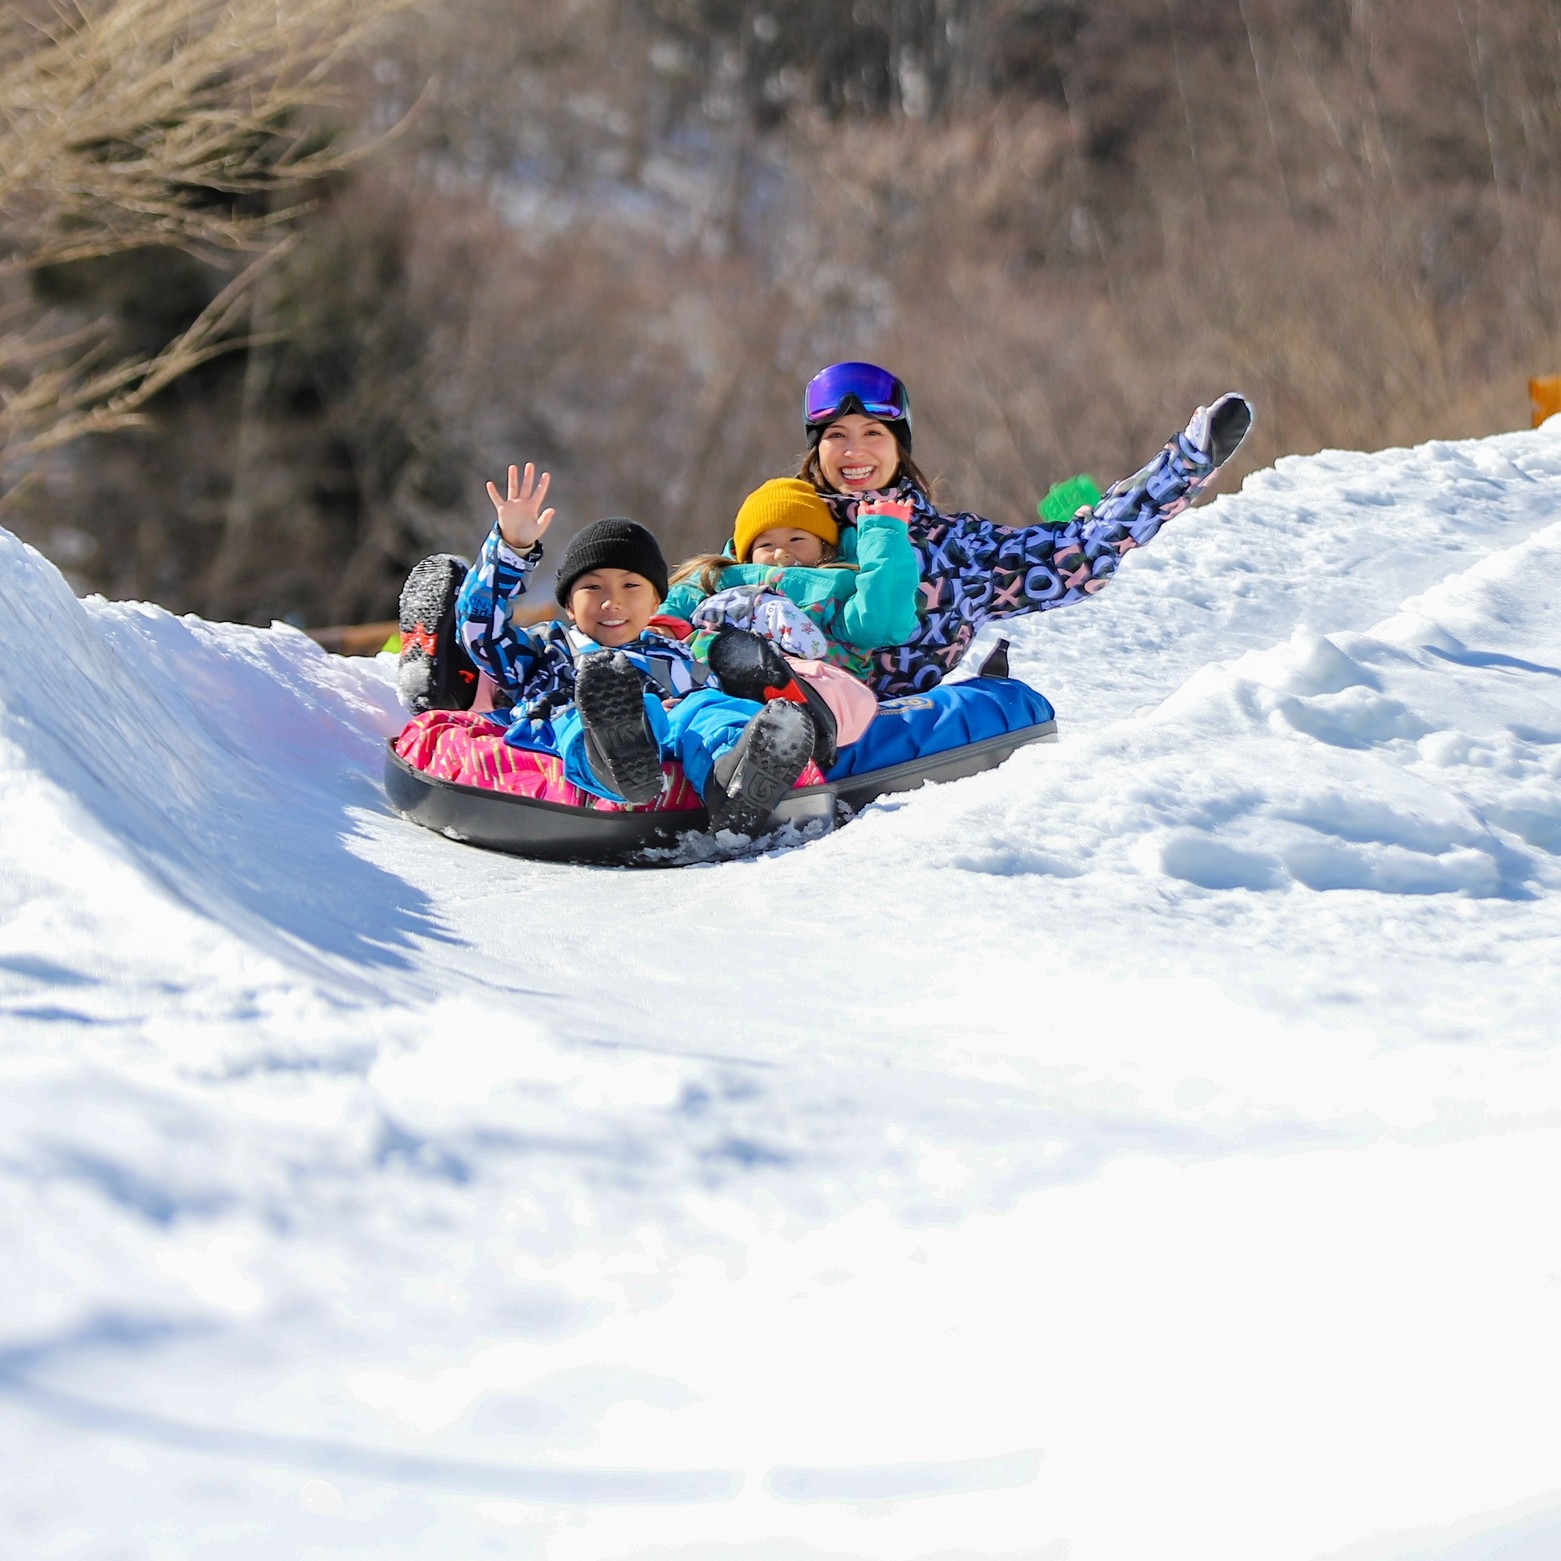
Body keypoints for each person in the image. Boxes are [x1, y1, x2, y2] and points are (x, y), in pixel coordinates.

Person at [788, 360, 1254, 696]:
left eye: (873, 434)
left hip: (877, 727)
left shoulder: (953, 549)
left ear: (898, 450)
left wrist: (1180, 469)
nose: (854, 451)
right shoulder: (783, 527)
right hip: (774, 704)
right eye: (836, 436)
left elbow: (1077, 552)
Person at [444, 462, 818, 835]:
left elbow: (710, 696)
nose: (612, 602)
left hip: (670, 728)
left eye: (630, 587)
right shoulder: (548, 648)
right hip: (581, 727)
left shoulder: (676, 654)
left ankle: (734, 784)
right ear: (569, 605)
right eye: (593, 588)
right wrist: (511, 549)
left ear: (656, 603)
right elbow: (479, 631)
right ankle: (612, 758)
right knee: (582, 713)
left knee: (710, 710)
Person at [660, 476, 919, 759]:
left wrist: (883, 535)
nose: (781, 553)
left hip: (815, 680)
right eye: (766, 544)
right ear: (745, 556)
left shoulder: (837, 589)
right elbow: (673, 605)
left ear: (824, 547)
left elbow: (879, 622)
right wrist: (660, 628)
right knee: (687, 667)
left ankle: (797, 722)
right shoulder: (719, 581)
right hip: (719, 677)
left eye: (797, 539)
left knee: (838, 691)